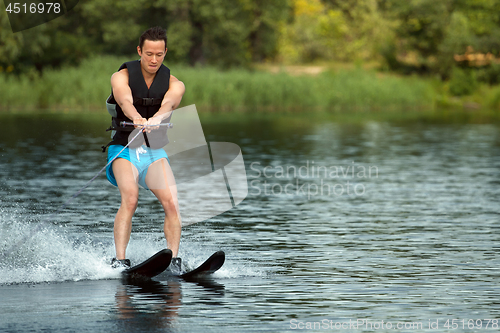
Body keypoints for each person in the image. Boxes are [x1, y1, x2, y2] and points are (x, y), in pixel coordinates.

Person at [104, 26, 185, 271]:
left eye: (159, 54)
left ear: (165, 53)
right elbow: (123, 98)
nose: (153, 59)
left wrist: (159, 117)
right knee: (130, 198)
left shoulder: (175, 83)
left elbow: (170, 102)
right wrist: (136, 117)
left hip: (153, 151)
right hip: (124, 148)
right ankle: (120, 260)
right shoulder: (121, 76)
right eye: (149, 53)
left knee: (171, 203)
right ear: (140, 50)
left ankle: (173, 260)